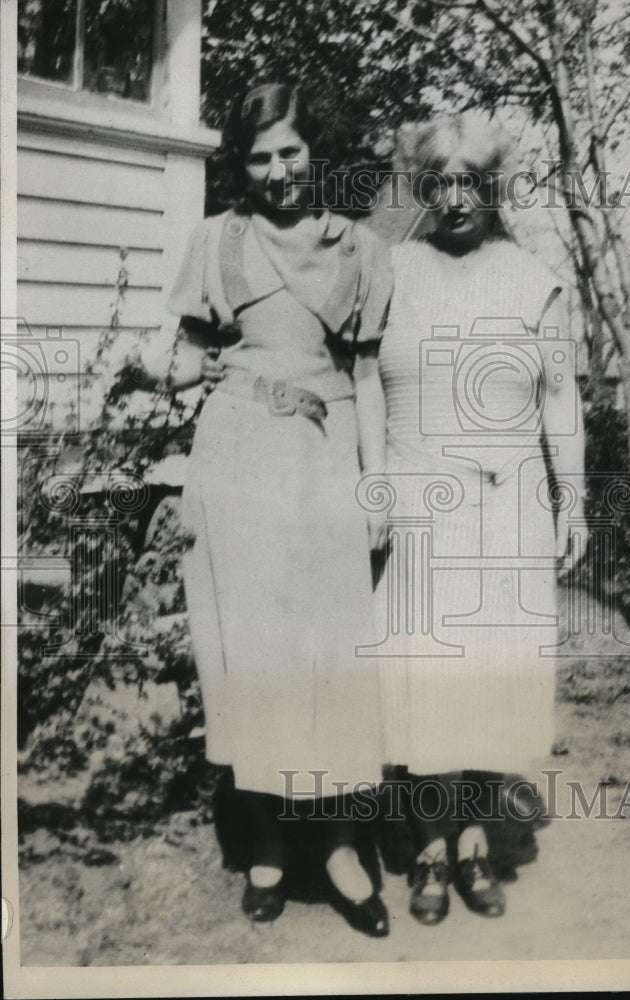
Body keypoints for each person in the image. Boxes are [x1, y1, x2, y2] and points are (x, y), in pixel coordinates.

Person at [139, 82, 393, 937]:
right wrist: (170, 368)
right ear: (239, 163)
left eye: (290, 151)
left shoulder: (360, 246)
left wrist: (377, 483)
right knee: (252, 652)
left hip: (324, 464)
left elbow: (364, 376)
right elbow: (183, 358)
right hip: (239, 461)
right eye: (259, 155)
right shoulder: (215, 241)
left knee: (329, 658)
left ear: (314, 150)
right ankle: (269, 848)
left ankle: (340, 850)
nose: (278, 170)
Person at [375, 111, 588, 925]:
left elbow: (561, 398)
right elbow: (361, 380)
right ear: (424, 188)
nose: (457, 197)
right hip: (418, 500)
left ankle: (473, 844)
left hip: (510, 505)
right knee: (430, 683)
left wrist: (572, 499)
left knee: (491, 682)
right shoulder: (391, 268)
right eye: (441, 183)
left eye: (472, 182)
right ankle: (430, 845)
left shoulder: (533, 279)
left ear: (492, 189)